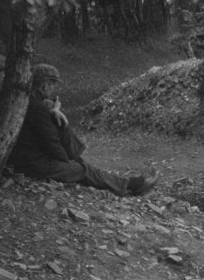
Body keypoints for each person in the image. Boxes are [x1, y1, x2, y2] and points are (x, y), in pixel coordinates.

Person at [10, 64, 157, 196]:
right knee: (81, 169)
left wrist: (53, 109)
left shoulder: (26, 101)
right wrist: (66, 160)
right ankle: (130, 185)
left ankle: (129, 183)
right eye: (52, 84)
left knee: (82, 165)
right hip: (32, 163)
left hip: (27, 158)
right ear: (44, 86)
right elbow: (50, 143)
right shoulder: (38, 109)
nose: (54, 89)